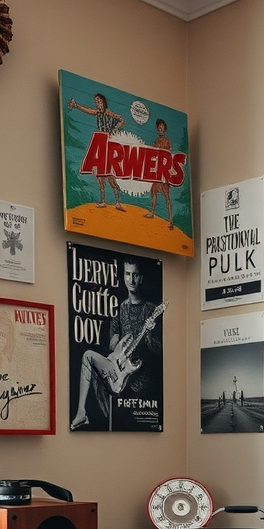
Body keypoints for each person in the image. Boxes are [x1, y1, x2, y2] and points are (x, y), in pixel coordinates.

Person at [70, 258, 161, 430]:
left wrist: (150, 333)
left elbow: (157, 350)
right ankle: (81, 412)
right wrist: (118, 346)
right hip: (118, 367)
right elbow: (113, 344)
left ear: (141, 277)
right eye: (128, 274)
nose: (131, 279)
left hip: (141, 380)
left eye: (135, 274)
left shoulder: (151, 309)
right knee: (87, 356)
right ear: (123, 276)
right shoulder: (120, 308)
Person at [68, 92, 126, 211]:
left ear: (103, 102)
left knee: (110, 175)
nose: (97, 104)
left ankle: (117, 202)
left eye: (99, 101)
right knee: (100, 175)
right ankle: (103, 201)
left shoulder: (108, 112)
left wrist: (114, 129)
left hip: (108, 144)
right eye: (96, 102)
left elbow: (121, 120)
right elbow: (89, 111)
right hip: (100, 144)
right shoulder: (98, 113)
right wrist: (76, 106)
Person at [144, 117, 174, 229]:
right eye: (159, 127)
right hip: (158, 171)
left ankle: (170, 219)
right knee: (153, 191)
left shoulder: (166, 141)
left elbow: (166, 153)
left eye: (162, 127)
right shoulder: (157, 140)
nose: (160, 129)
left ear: (164, 129)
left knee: (167, 196)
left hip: (163, 172)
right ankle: (152, 212)